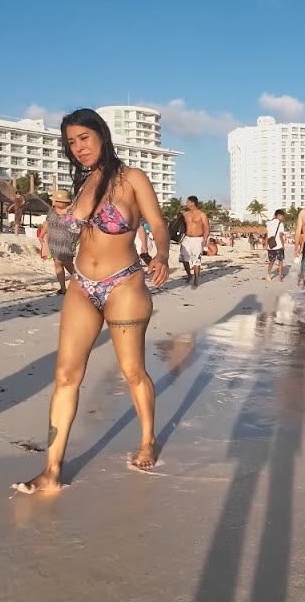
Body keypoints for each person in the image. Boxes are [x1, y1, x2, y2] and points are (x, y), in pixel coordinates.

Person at [14, 108, 170, 493]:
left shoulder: (132, 178)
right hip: (82, 286)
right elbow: (65, 239)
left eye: (84, 138)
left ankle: (147, 439)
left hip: (124, 285)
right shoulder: (81, 186)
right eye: (71, 142)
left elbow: (158, 224)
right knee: (66, 376)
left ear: (101, 135)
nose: (78, 147)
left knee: (132, 371)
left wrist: (162, 255)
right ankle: (52, 468)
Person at [39, 188, 79, 295]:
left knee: (67, 264)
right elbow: (47, 223)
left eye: (59, 201)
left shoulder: (72, 211)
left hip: (67, 242)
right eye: (56, 201)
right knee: (57, 264)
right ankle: (63, 288)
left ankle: (82, 285)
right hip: (53, 242)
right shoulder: (52, 210)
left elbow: (78, 227)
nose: (57, 203)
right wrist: (42, 234)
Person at [178, 195, 209, 287]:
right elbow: (178, 225)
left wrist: (205, 239)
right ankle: (189, 275)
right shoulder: (185, 214)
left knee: (197, 260)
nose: (186, 204)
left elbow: (207, 228)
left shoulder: (202, 214)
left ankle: (196, 278)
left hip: (198, 238)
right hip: (186, 238)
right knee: (184, 258)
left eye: (188, 202)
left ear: (193, 203)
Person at [263, 208, 286, 282]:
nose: (282, 218)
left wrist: (266, 245)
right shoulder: (280, 224)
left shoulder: (268, 223)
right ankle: (279, 277)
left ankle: (268, 275)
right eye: (282, 216)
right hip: (279, 245)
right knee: (280, 261)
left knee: (271, 261)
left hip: (271, 246)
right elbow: (280, 236)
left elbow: (267, 236)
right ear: (279, 215)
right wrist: (283, 245)